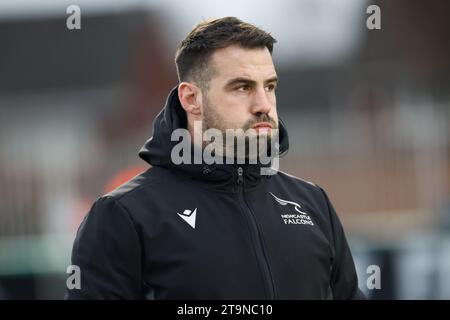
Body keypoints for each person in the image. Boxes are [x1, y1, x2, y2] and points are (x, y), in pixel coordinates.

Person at [66, 17, 365, 299]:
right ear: (191, 99)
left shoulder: (313, 203)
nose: (263, 104)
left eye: (269, 87)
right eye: (242, 87)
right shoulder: (123, 215)